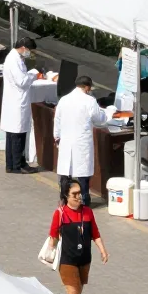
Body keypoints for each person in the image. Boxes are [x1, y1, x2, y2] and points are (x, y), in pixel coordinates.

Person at [47, 177, 107, 294]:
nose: (79, 196)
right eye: (75, 194)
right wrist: (50, 250)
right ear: (66, 195)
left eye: (80, 192)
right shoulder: (60, 213)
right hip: (67, 260)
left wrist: (103, 251)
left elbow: (95, 234)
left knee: (76, 293)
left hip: (85, 259)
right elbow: (53, 234)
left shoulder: (88, 212)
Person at [54, 75, 109, 207]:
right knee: (83, 174)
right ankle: (84, 200)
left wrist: (57, 137)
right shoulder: (90, 101)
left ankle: (64, 199)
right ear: (87, 87)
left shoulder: (64, 100)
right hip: (81, 142)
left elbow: (57, 119)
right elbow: (99, 119)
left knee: (66, 174)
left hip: (66, 141)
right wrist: (108, 113)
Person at [1, 36, 40, 173]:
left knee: (12, 135)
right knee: (18, 134)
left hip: (14, 101)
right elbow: (22, 82)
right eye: (29, 50)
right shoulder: (13, 60)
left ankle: (11, 164)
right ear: (24, 48)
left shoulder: (15, 58)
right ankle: (18, 165)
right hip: (17, 101)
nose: (29, 54)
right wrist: (34, 74)